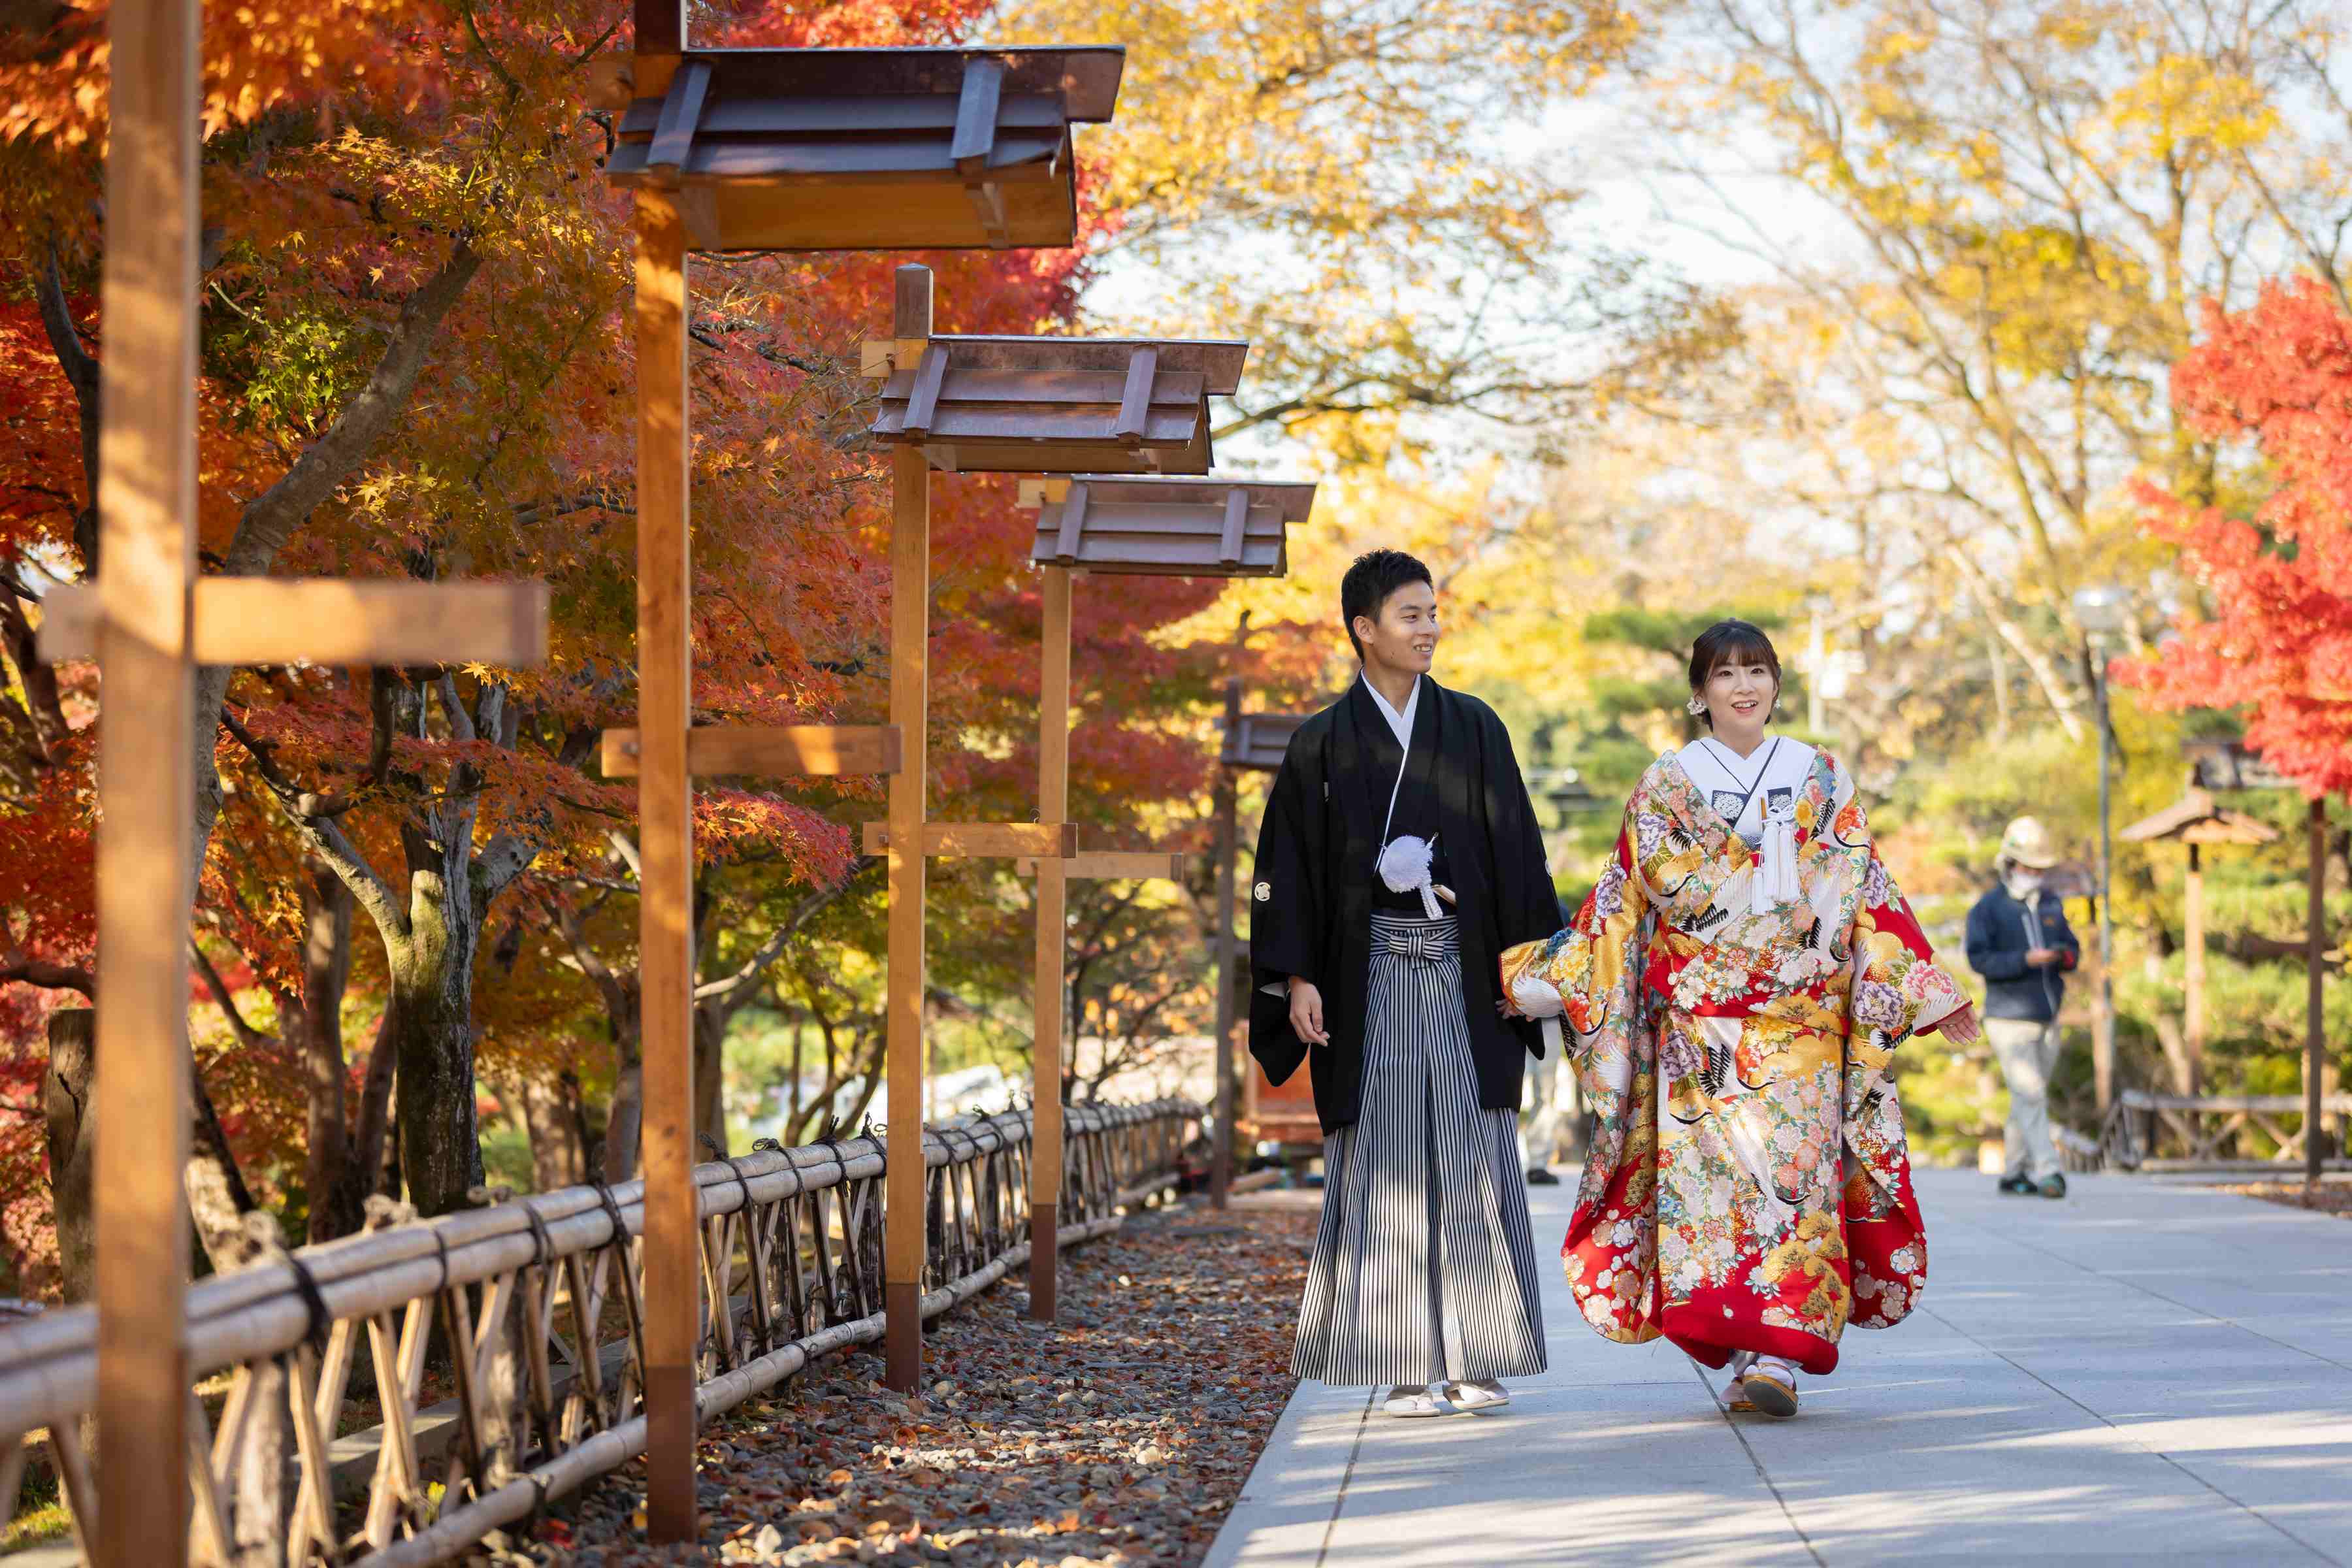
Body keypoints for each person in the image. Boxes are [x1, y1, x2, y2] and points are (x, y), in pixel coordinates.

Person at [1499, 619, 1977, 1420]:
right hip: (1702, 1035)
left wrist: (1930, 988)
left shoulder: (1821, 776)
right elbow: (1621, 903)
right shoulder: (1666, 783)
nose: (1744, 687)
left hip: (1800, 1035)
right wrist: (1542, 980)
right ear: (1700, 691)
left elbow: (1867, 894)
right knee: (1716, 1202)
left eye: (1758, 671)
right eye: (1726, 674)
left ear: (1777, 684)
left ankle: (1778, 1358)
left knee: (1795, 1187)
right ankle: (1748, 1347)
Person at [1248, 549, 1563, 1418]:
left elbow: (1518, 858)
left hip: (1464, 976)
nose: (1428, 628)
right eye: (1410, 615)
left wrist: (1524, 970)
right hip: (1369, 975)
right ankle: (1398, 1361)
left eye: (1432, 613)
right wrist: (1298, 978)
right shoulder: (1320, 742)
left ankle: (1481, 1352)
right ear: (1364, 628)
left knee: (1470, 1149)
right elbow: (1289, 868)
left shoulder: (1475, 729)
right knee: (1385, 1156)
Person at [1965, 817, 2082, 1200]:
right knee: (2031, 1092)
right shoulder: (1989, 908)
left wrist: (2063, 957)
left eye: (2039, 868)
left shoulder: (2050, 903)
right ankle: (2049, 1170)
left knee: (2027, 1097)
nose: (2034, 874)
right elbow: (1980, 960)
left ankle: (2014, 1172)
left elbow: (2071, 946)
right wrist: (2025, 960)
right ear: (2010, 864)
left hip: (2048, 1013)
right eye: (2028, 867)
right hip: (2008, 1017)